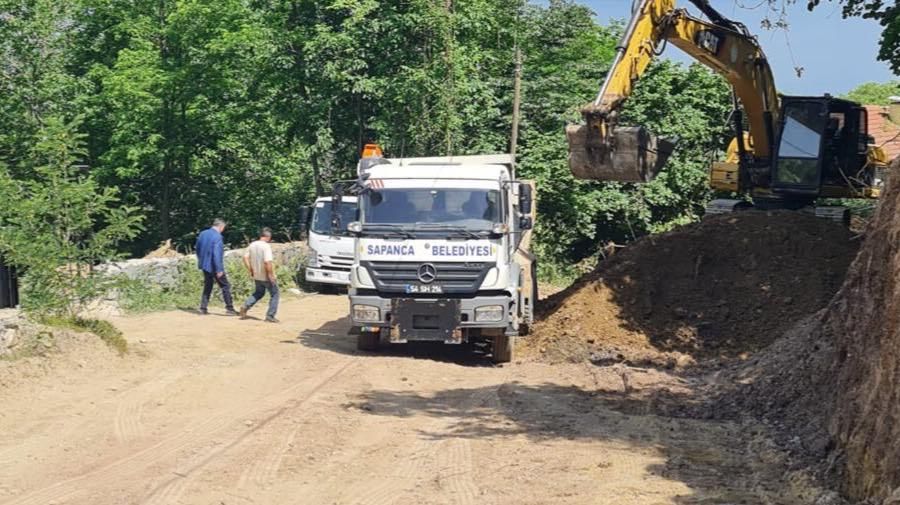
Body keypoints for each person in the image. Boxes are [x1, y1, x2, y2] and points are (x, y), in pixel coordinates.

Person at [195, 218, 237, 316]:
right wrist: (219, 269)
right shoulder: (217, 236)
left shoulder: (203, 234)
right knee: (225, 286)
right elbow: (217, 254)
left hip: (205, 265)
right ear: (221, 226)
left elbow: (197, 248)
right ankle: (230, 309)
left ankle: (203, 308)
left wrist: (201, 260)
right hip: (214, 265)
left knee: (208, 286)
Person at [240, 227, 280, 323]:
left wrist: (251, 270)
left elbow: (245, 258)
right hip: (265, 276)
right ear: (268, 237)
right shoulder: (266, 246)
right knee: (275, 294)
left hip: (257, 275)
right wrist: (270, 275)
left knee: (259, 293)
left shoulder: (252, 244)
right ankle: (270, 315)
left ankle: (246, 305)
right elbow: (267, 262)